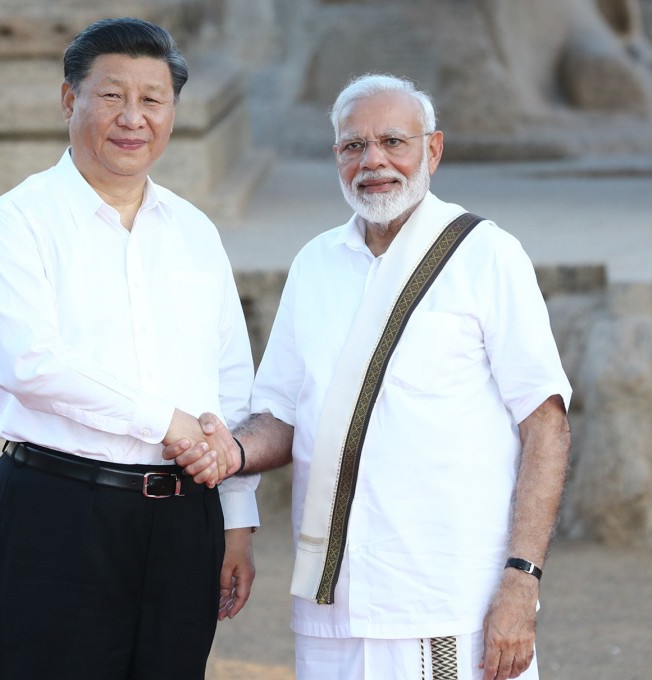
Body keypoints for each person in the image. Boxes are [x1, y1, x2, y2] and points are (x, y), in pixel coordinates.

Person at [167, 73, 572, 680]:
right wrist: (229, 452)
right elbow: (281, 414)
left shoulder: (487, 255)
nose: (373, 161)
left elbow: (547, 426)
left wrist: (522, 581)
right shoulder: (315, 264)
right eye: (354, 146)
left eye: (392, 141)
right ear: (336, 158)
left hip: (448, 594)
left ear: (432, 150)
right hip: (335, 599)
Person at [0, 17, 258, 680]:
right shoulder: (18, 220)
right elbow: (27, 364)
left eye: (152, 100)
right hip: (62, 507)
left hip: (187, 519)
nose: (133, 118)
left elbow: (231, 383)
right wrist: (166, 422)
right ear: (71, 101)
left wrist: (236, 521)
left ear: (173, 111)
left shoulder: (193, 231)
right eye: (111, 96)